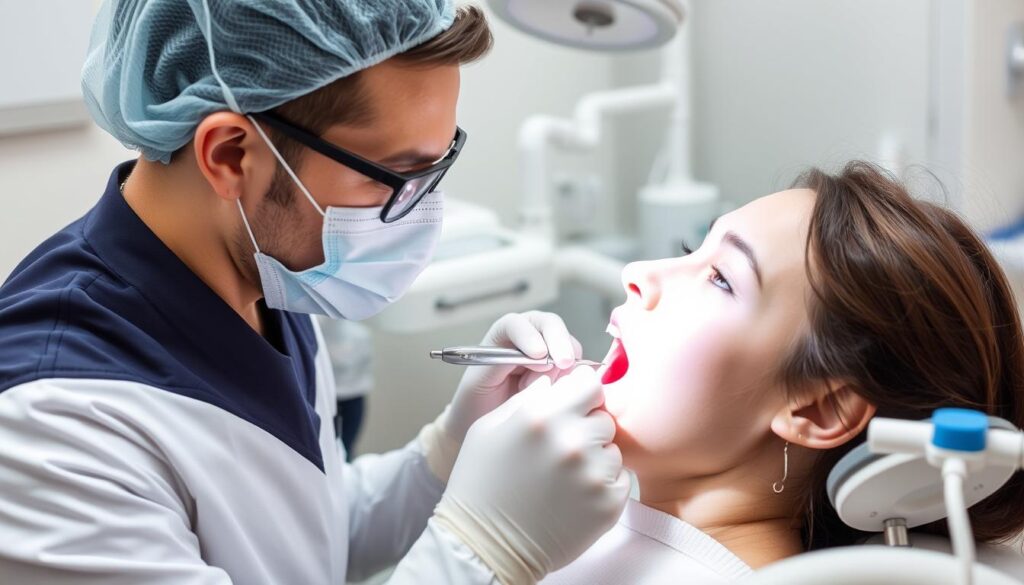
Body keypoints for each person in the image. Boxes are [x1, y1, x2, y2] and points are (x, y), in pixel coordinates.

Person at [0, 2, 629, 584]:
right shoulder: (53, 431)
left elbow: (305, 534)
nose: (422, 216)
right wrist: (489, 545)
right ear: (230, 155)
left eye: (438, 167)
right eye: (395, 177)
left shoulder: (265, 270)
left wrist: (447, 452)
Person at [542, 162, 1024, 584]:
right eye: (693, 248)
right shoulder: (593, 525)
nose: (639, 272)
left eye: (721, 278)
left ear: (818, 408)